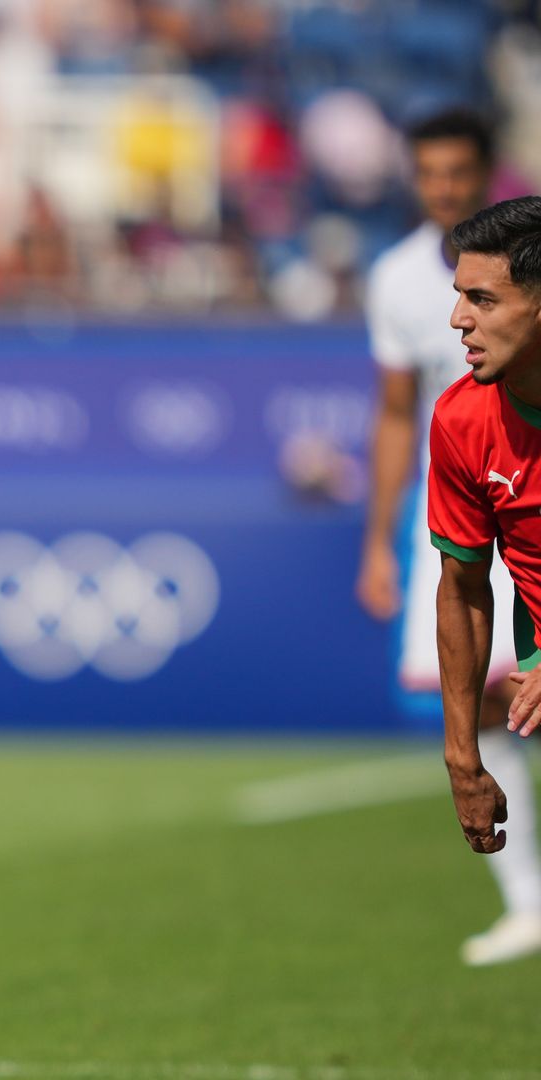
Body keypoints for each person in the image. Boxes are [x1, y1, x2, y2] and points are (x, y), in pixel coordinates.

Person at [357, 110, 541, 966]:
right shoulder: (459, 415)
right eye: (458, 296)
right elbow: (463, 587)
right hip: (487, 516)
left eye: (481, 302)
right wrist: (459, 763)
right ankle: (527, 899)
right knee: (500, 704)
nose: (456, 320)